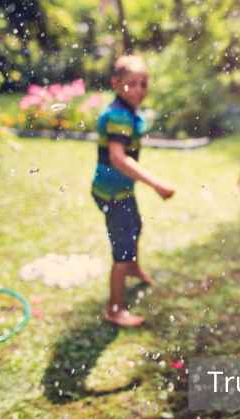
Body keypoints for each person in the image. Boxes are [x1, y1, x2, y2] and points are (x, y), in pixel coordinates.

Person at [91, 55, 175, 327]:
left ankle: (134, 268)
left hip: (119, 190)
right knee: (122, 247)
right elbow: (118, 157)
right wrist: (156, 184)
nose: (139, 89)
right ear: (116, 84)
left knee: (135, 226)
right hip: (112, 193)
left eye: (143, 83)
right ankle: (114, 309)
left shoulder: (125, 110)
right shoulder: (118, 115)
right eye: (131, 84)